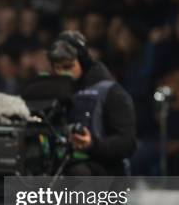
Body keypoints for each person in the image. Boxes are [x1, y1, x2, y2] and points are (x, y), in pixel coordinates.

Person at [47, 30, 137, 176]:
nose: (62, 74)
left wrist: (92, 144)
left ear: (83, 61)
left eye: (68, 67)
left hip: (102, 174)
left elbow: (127, 144)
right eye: (57, 68)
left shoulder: (112, 92)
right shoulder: (52, 92)